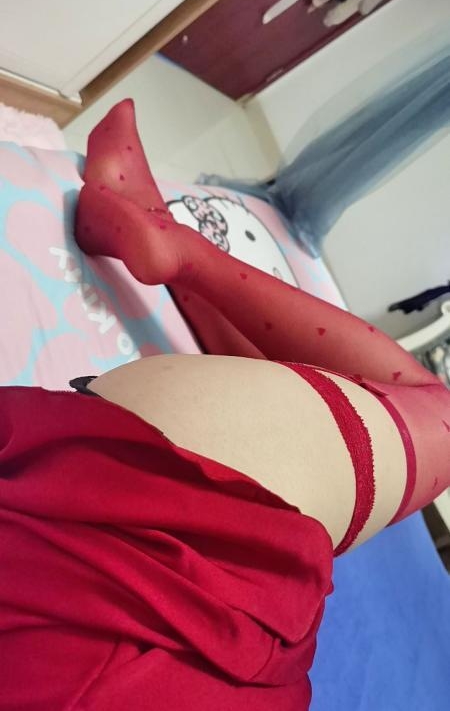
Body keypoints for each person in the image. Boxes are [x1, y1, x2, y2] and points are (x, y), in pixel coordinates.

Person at [1, 99, 449, 711]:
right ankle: (166, 242)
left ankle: (174, 247)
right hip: (161, 554)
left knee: (438, 414)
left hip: (173, 542)